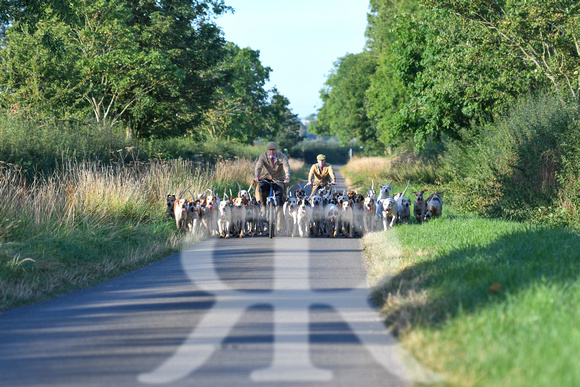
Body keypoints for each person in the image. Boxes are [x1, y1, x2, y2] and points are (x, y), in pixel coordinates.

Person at [254, 141, 291, 213]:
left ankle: (279, 218)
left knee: (279, 195)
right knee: (261, 189)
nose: (272, 152)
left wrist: (287, 176)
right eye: (270, 150)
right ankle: (263, 207)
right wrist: (256, 176)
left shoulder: (282, 156)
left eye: (273, 150)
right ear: (267, 150)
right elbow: (259, 166)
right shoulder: (263, 156)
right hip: (267, 178)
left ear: (276, 149)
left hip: (278, 179)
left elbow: (286, 166)